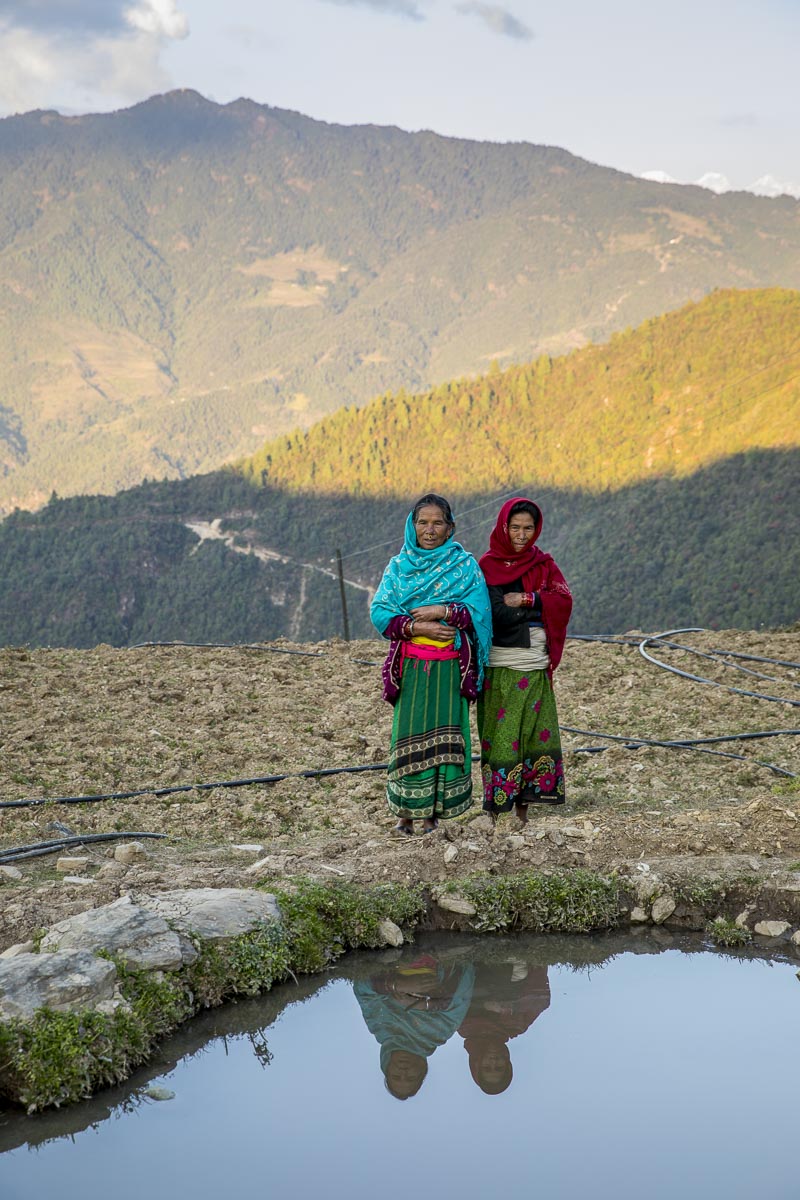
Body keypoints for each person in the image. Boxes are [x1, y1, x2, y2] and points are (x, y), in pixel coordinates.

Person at [370, 493, 492, 834]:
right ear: (412, 526)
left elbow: (480, 612)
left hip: (450, 669)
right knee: (407, 735)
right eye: (422, 522)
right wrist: (415, 626)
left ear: (450, 527)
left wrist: (444, 611)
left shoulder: (464, 565)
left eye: (437, 522)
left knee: (446, 737)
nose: (429, 529)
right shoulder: (398, 567)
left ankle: (431, 814)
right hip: (411, 669)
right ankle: (405, 814)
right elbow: (380, 612)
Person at [477, 497, 572, 823]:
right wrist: (536, 611)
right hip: (501, 664)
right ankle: (494, 809)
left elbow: (563, 600)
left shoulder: (542, 564)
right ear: (503, 527)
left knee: (531, 733)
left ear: (536, 529)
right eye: (515, 527)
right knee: (501, 735)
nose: (521, 534)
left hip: (535, 664)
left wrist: (528, 598)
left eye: (528, 528)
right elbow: (496, 614)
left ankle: (522, 811)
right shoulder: (486, 566)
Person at [353, 953, 475, 1099]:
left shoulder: (379, 1024)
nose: (404, 1071)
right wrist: (425, 1004)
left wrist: (397, 985)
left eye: (396, 1076)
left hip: (390, 955)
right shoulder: (440, 1032)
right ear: (423, 1068)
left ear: (386, 1066)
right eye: (411, 1078)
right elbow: (462, 990)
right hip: (439, 955)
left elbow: (361, 985)